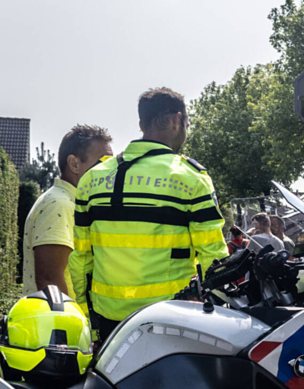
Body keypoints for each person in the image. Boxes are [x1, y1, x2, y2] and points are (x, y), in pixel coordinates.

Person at [70, 88, 228, 344]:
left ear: (141, 124)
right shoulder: (191, 178)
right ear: (177, 120)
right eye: (187, 124)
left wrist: (83, 315)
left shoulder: (92, 179)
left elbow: (80, 259)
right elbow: (214, 257)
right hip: (171, 321)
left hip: (107, 322)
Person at [22, 125, 113, 301]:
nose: (110, 171)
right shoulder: (60, 205)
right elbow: (50, 281)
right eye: (103, 163)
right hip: (61, 324)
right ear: (74, 163)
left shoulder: (65, 201)